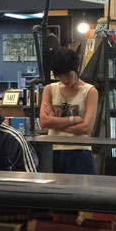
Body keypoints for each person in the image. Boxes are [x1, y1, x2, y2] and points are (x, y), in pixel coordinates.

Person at [39, 47, 99, 175]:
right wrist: (73, 120)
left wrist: (55, 122)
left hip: (80, 150)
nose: (65, 80)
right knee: (52, 192)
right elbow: (44, 122)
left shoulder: (90, 91)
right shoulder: (49, 89)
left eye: (68, 75)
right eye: (60, 76)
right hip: (52, 149)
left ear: (76, 69)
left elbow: (86, 128)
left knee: (83, 192)